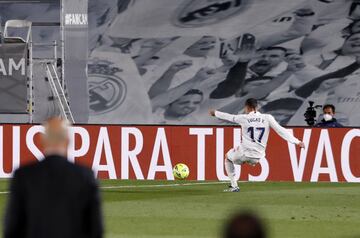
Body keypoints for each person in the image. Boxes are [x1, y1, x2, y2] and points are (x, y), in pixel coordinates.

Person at [4, 117, 103, 238]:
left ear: (42, 141)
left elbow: (12, 228)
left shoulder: (23, 176)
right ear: (68, 141)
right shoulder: (85, 176)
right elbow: (96, 230)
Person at [209, 98, 305, 192]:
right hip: (258, 157)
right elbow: (280, 130)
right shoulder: (267, 118)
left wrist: (215, 113)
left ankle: (234, 186)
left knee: (228, 157)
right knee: (242, 156)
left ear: (247, 107)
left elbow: (229, 116)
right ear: (257, 106)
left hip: (244, 153)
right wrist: (297, 141)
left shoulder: (243, 118)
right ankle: (235, 183)